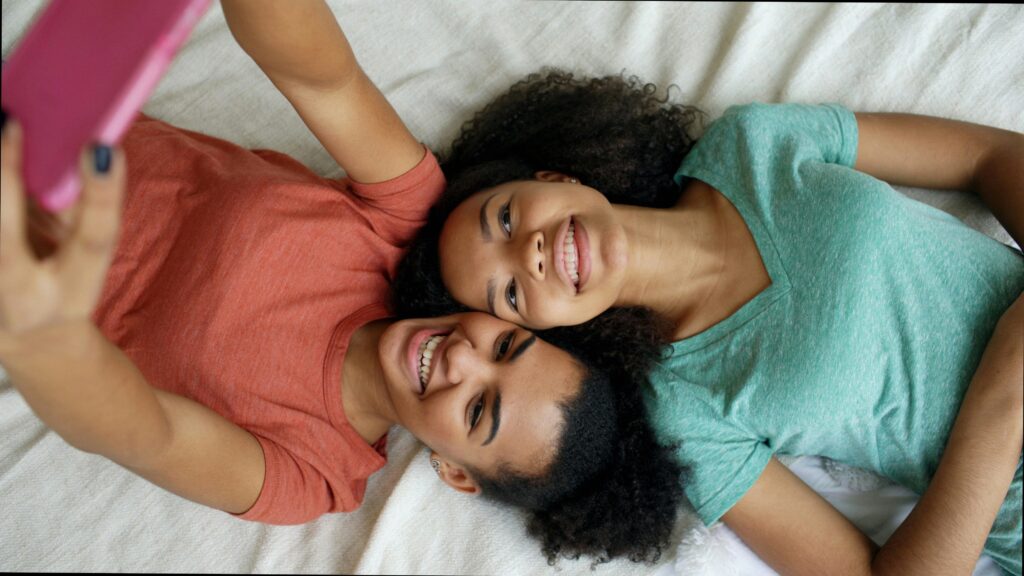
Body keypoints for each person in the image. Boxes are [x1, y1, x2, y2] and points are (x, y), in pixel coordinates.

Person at [0, 2, 681, 564]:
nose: (462, 359)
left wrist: (40, 334)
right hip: (38, 126)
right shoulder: (413, 226)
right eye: (506, 347)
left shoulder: (313, 475)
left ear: (456, 473)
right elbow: (320, 74)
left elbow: (144, 433)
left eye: (478, 410)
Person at [392, 69, 1024, 574]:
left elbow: (985, 155)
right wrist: (1003, 395)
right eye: (508, 294)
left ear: (555, 177)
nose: (525, 254)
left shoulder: (747, 144)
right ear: (546, 331)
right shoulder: (687, 412)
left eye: (503, 219)